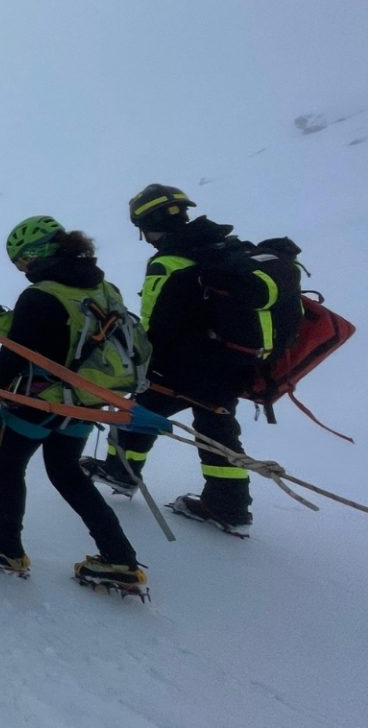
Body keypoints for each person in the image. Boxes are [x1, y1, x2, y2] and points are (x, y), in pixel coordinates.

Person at [0, 216, 148, 596]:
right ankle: (120, 558)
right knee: (67, 473)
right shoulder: (103, 287)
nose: (23, 271)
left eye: (22, 262)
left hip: (36, 403)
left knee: (6, 468)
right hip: (84, 403)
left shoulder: (40, 295)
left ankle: (6, 547)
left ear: (36, 254)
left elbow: (13, 357)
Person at [80, 185, 261, 537]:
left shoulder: (169, 261)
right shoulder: (223, 250)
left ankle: (121, 473)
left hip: (184, 368)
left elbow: (156, 325)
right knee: (217, 429)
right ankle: (230, 505)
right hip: (232, 363)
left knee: (135, 411)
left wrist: (144, 365)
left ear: (148, 225)